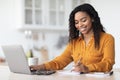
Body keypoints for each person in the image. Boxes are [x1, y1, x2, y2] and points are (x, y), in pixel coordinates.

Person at [30, 3, 115, 73]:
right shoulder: (74, 42)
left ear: (92, 18)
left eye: (84, 20)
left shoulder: (107, 39)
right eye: (76, 22)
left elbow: (108, 63)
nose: (80, 25)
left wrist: (87, 68)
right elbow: (60, 61)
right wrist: (41, 66)